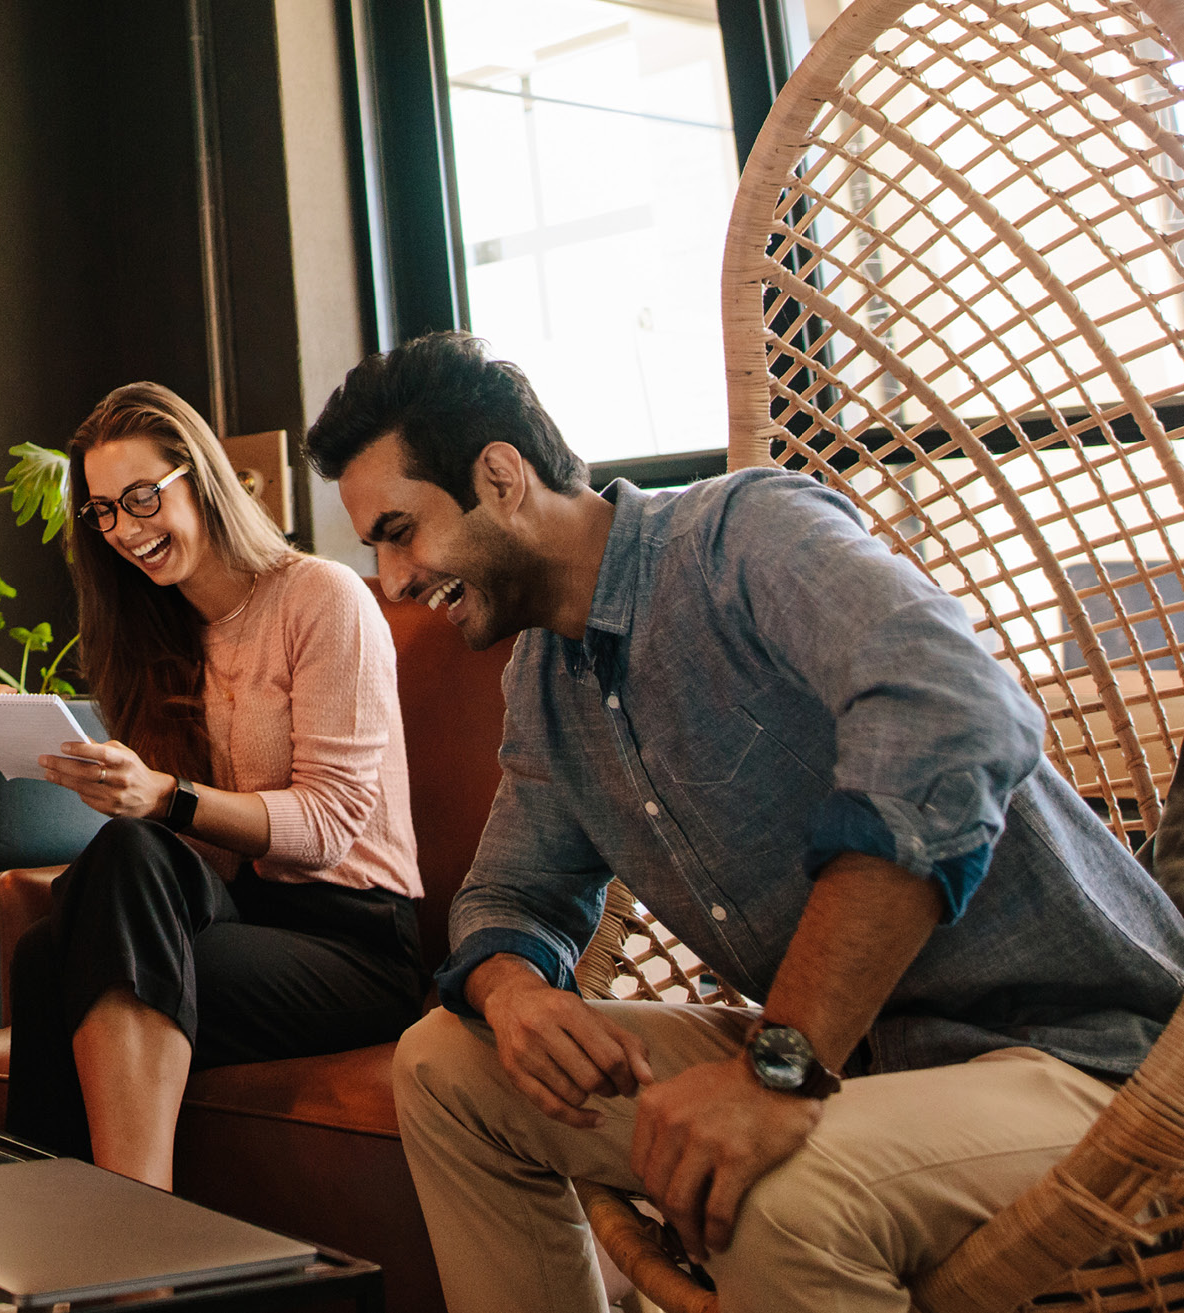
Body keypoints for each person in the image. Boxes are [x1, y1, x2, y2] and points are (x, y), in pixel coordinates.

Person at [309, 332, 1184, 1312]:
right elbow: (510, 893)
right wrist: (512, 990)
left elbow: (956, 709)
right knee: (443, 1063)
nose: (392, 580)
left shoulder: (741, 536)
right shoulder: (546, 683)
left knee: (770, 1196)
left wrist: (778, 1066)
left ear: (500, 476)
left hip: (1091, 1064)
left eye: (399, 529)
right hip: (859, 1060)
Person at [0, 381, 428, 1190]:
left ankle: (132, 1240)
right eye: (103, 513)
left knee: (70, 942)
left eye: (140, 498)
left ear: (199, 476)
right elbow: (189, 855)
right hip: (242, 918)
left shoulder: (322, 597)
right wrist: (73, 758)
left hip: (358, 946)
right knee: (59, 937)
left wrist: (163, 795)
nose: (126, 530)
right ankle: (65, 1256)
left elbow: (329, 824)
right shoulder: (154, 635)